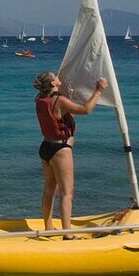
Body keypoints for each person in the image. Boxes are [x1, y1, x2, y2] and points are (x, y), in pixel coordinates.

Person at [33, 71, 109, 236]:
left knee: (49, 190)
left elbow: (61, 114)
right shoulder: (59, 100)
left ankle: (48, 227)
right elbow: (86, 109)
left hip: (45, 147)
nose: (58, 77)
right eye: (56, 76)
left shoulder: (39, 99)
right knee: (67, 193)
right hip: (60, 150)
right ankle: (67, 233)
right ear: (53, 83)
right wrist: (98, 90)